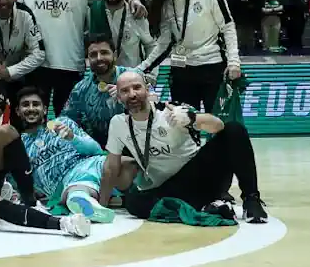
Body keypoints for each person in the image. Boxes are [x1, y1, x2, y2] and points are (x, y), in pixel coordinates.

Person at [101, 71, 267, 223]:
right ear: (119, 97)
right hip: (168, 188)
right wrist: (101, 206)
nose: (132, 94)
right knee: (133, 203)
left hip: (202, 176)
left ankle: (251, 199)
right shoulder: (118, 123)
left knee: (234, 130)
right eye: (125, 91)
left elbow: (218, 126)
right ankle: (210, 207)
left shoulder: (171, 109)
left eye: (137, 87)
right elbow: (111, 167)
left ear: (147, 89)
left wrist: (193, 118)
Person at [15, 0, 144, 114]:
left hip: (71, 62)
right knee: (32, 119)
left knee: (68, 121)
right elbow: (13, 8)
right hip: (36, 62)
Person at [17, 86, 130, 223]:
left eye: (36, 104)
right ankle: (86, 202)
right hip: (64, 184)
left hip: (90, 165)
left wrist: (72, 138)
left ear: (45, 109)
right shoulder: (18, 144)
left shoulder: (63, 123)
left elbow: (95, 149)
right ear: (18, 111)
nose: (31, 108)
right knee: (78, 190)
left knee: (127, 163)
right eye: (25, 105)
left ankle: (137, 198)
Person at [146, 0, 241, 113]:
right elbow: (164, 43)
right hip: (181, 70)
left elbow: (228, 27)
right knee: (184, 127)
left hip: (212, 66)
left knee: (218, 124)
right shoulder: (164, 2)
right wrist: (143, 68)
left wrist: (234, 62)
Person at [59, 35, 135, 147]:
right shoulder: (81, 89)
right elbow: (67, 119)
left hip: (136, 144)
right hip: (99, 150)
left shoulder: (134, 77)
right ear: (88, 59)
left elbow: (155, 102)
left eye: (104, 52)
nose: (99, 58)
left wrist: (128, 96)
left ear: (114, 55)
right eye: (93, 55)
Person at [88, 0, 157, 69]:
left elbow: (150, 46)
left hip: (132, 77)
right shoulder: (94, 11)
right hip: (103, 77)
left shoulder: (136, 12)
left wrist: (150, 73)